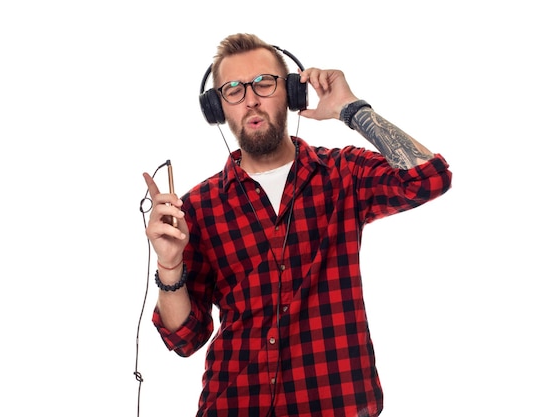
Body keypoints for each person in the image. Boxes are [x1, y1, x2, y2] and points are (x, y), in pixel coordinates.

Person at [142, 33, 452, 417]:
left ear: (291, 91)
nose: (251, 99)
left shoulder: (343, 173)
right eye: (233, 90)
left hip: (334, 406)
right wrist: (169, 264)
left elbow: (429, 178)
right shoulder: (198, 207)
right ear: (218, 108)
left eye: (264, 83)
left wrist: (351, 110)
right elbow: (185, 338)